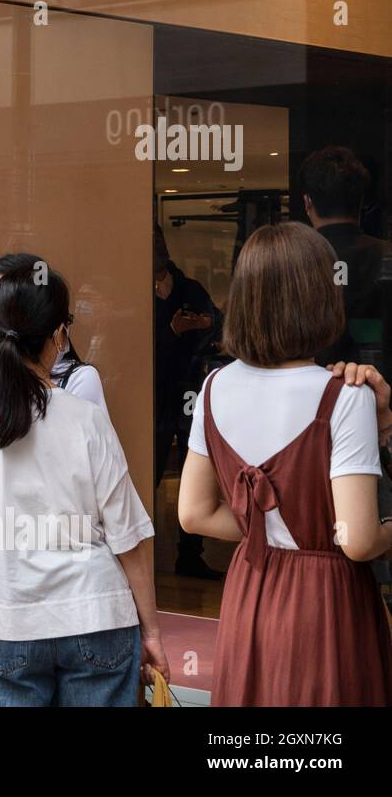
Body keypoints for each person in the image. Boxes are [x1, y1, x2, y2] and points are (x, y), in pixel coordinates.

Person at [0, 262, 169, 706]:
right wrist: (152, 632)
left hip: (2, 626)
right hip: (97, 619)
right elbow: (128, 540)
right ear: (57, 335)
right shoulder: (85, 418)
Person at [178, 221, 392, 705]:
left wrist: (269, 530)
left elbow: (192, 514)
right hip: (327, 601)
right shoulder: (345, 394)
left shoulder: (213, 388)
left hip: (250, 587)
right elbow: (358, 540)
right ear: (321, 297)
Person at [153, 225, 223, 579]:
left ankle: (190, 554)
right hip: (153, 392)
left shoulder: (189, 289)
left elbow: (219, 325)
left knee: (194, 469)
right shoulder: (134, 288)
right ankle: (142, 554)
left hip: (190, 389)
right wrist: (171, 332)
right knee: (149, 471)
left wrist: (206, 323)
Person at [300, 146, 391, 367]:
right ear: (361, 202)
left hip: (314, 390)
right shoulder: (386, 255)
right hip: (383, 386)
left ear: (307, 203)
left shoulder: (291, 261)